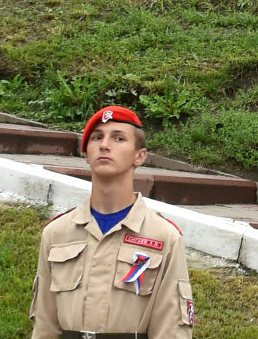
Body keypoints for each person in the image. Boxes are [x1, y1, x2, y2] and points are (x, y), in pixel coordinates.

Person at [29, 105, 195, 339]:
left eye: (118, 138)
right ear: (86, 154)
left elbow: (171, 329)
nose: (105, 145)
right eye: (97, 137)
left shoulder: (163, 237)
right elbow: (45, 325)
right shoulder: (57, 233)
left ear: (140, 156)